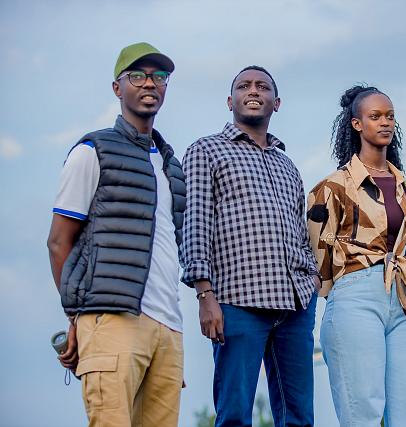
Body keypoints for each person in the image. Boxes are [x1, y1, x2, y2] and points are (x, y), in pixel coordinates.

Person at [46, 42, 185, 427]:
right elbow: (58, 241)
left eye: (159, 76)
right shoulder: (93, 150)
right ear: (117, 88)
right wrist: (77, 317)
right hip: (110, 321)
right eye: (137, 76)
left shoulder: (171, 165)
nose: (149, 84)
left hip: (168, 328)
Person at [181, 65, 320, 427]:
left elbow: (300, 230)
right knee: (234, 415)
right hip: (237, 300)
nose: (253, 91)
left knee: (300, 417)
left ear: (277, 102)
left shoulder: (287, 165)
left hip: (295, 304)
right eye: (244, 86)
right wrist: (204, 294)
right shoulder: (206, 150)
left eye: (262, 86)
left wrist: (313, 278)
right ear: (231, 101)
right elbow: (195, 222)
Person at [307, 85, 406, 426]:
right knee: (363, 411)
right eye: (375, 116)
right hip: (355, 296)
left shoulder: (404, 186)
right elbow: (317, 252)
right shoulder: (333, 186)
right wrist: (342, 292)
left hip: (404, 297)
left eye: (390, 116)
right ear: (357, 124)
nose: (385, 122)